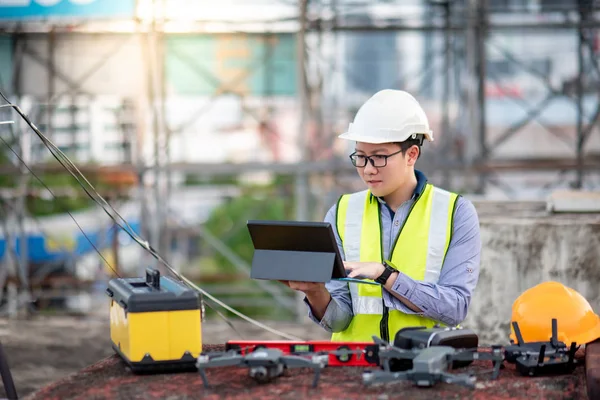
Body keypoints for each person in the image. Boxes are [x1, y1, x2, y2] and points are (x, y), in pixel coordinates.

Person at [282, 89, 481, 342]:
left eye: (379, 157)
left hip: (425, 366)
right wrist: (315, 292)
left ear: (412, 154)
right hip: (355, 368)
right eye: (361, 157)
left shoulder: (455, 213)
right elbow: (339, 321)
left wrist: (385, 275)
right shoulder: (341, 213)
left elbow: (454, 308)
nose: (368, 169)